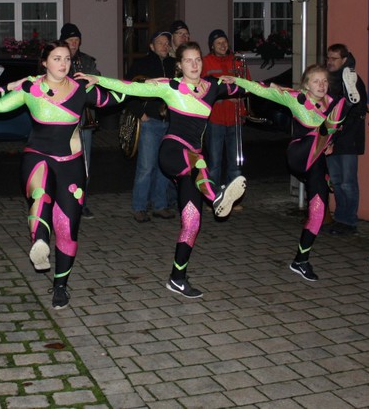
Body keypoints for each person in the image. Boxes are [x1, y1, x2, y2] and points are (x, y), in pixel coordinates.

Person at [84, 41, 247, 298]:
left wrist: (245, 82)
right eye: (188, 60)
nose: (194, 64)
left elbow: (250, 89)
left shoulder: (213, 86)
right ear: (179, 65)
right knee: (197, 162)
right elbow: (131, 87)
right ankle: (216, 196)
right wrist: (98, 79)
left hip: (194, 166)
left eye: (198, 60)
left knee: (192, 221)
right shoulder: (171, 86)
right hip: (172, 152)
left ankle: (177, 278)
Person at [0, 40, 117, 309]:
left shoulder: (81, 88)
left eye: (67, 58)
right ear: (44, 62)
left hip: (71, 164)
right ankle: (40, 242)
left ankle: (60, 286)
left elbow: (117, 99)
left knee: (67, 228)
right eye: (56, 58)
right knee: (40, 195)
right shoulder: (31, 88)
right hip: (38, 158)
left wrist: (102, 81)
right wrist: (9, 86)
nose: (63, 64)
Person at [223, 64, 352, 281]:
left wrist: (332, 143)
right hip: (299, 154)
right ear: (306, 85)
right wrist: (237, 80)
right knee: (325, 125)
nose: (321, 85)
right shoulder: (297, 98)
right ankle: (348, 103)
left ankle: (301, 260)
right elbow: (262, 89)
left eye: (324, 81)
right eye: (316, 81)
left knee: (318, 210)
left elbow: (338, 131)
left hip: (316, 161)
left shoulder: (331, 102)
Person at [125, 30, 176, 222]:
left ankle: (160, 205)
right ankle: (139, 207)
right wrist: (141, 114)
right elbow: (128, 89)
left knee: (164, 166)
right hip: (151, 122)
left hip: (169, 122)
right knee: (146, 166)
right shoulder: (141, 64)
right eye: (160, 42)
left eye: (167, 42)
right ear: (152, 46)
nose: (164, 45)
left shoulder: (174, 65)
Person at [59, 22, 101, 219]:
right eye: (70, 40)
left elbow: (97, 82)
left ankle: (81, 202)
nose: (74, 43)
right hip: (63, 119)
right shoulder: (57, 59)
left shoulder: (87, 61)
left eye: (77, 40)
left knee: (84, 164)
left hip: (84, 118)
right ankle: (63, 201)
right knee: (63, 162)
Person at [325, 43, 366, 236]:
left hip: (348, 138)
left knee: (348, 182)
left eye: (334, 59)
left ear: (344, 59)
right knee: (336, 180)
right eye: (328, 58)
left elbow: (357, 111)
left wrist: (339, 131)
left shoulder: (353, 80)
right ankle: (340, 218)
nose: (330, 62)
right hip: (331, 138)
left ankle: (349, 221)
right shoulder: (328, 79)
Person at [201, 29, 249, 188]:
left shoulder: (237, 61)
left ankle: (233, 196)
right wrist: (226, 96)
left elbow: (248, 84)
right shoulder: (206, 62)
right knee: (214, 163)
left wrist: (241, 95)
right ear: (212, 46)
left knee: (235, 164)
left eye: (224, 42)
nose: (222, 45)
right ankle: (213, 196)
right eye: (218, 43)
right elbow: (204, 88)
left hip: (235, 119)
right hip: (215, 119)